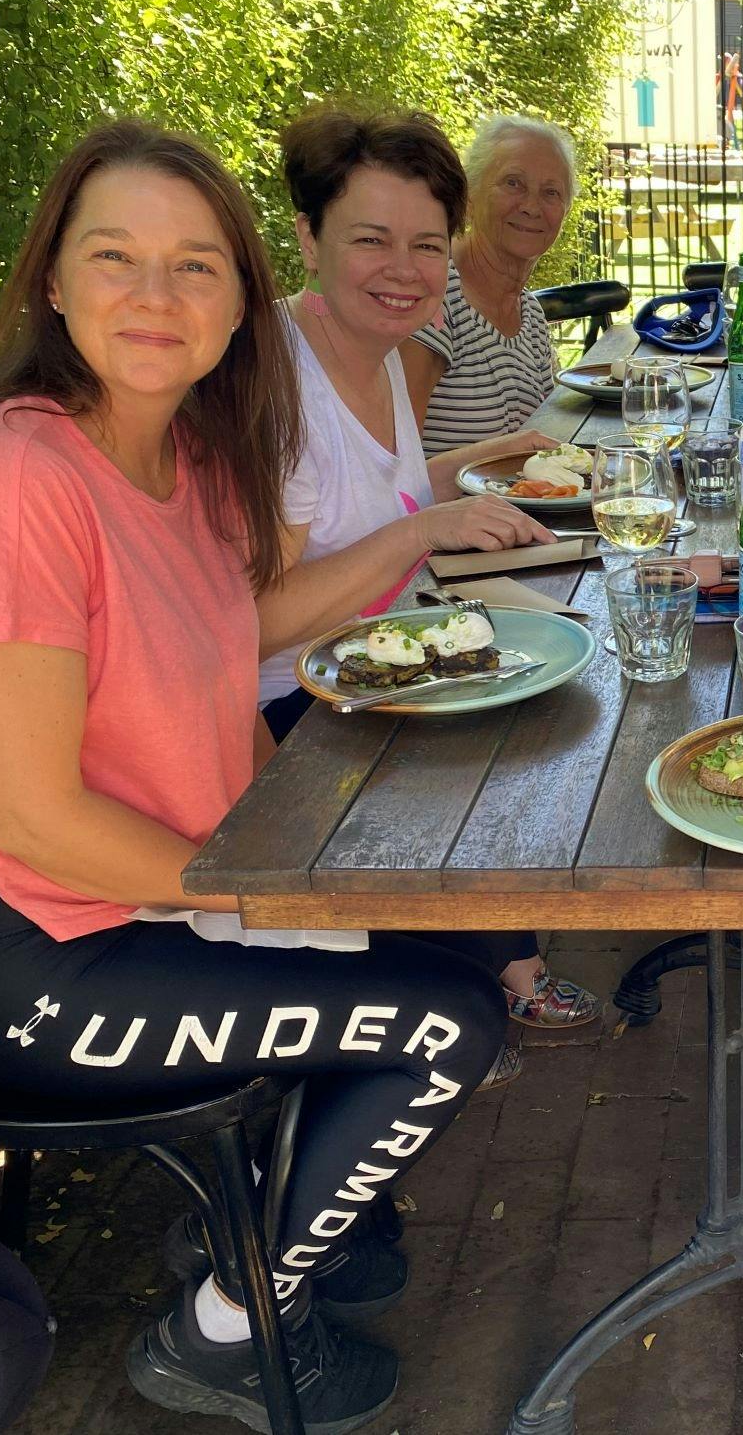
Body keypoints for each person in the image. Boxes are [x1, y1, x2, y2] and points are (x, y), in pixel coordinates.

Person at [0, 120, 508, 1433]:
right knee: (446, 1024)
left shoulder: (191, 458)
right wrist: (283, 893)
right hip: (34, 959)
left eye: (195, 267)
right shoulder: (5, 476)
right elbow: (31, 818)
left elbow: (239, 654)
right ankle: (226, 1326)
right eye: (116, 257)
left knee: (444, 943)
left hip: (162, 900)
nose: (155, 296)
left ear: (238, 299)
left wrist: (319, 878)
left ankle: (269, 1225)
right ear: (55, 279)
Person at [257, 105, 603, 1034]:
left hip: (389, 652)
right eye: (371, 239)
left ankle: (502, 960)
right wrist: (424, 532)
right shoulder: (279, 382)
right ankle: (479, 981)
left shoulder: (373, 349)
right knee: (527, 721)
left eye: (425, 244)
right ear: (309, 238)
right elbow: (255, 623)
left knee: (576, 675)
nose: (405, 269)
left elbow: (392, 489)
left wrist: (494, 459)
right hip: (296, 701)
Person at [400, 113, 576, 452]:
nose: (532, 206)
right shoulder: (433, 295)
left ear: (565, 211)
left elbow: (542, 449)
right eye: (513, 183)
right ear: (469, 196)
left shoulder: (530, 314)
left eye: (551, 192)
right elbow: (392, 466)